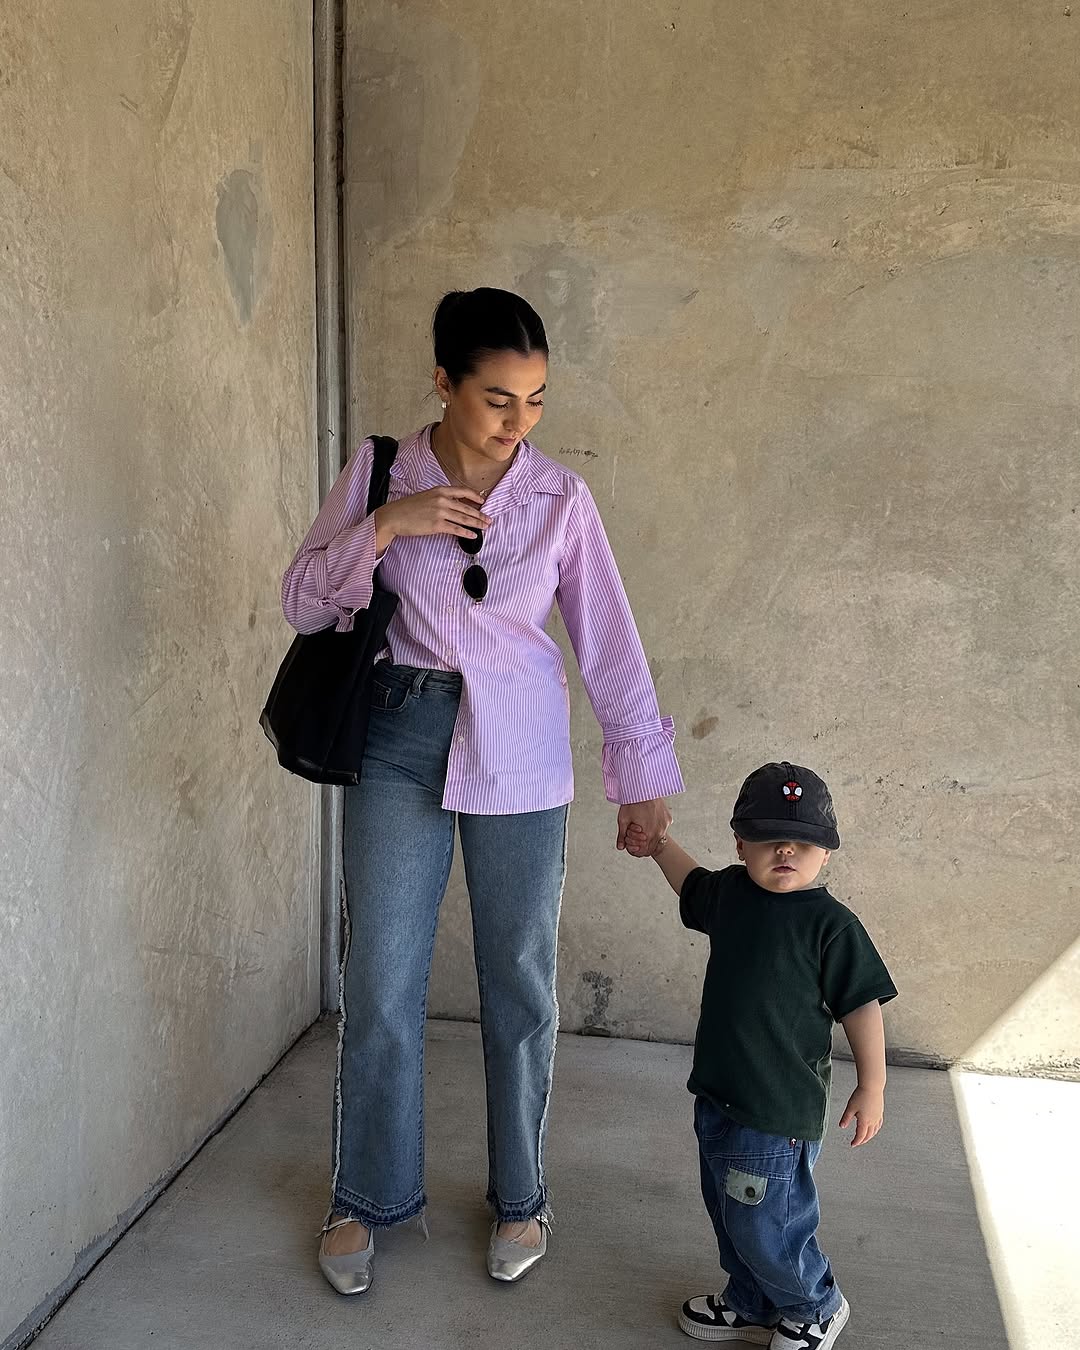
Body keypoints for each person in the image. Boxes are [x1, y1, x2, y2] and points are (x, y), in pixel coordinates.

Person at [280, 287, 684, 1294]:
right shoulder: (382, 471)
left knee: (519, 981)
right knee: (380, 978)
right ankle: (365, 1196)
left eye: (535, 399)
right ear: (444, 383)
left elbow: (608, 643)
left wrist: (639, 776)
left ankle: (521, 1196)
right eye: (498, 397)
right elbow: (302, 599)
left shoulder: (559, 499)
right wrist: (386, 526)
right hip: (399, 735)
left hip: (521, 745)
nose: (518, 421)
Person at [626, 762, 896, 1349]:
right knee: (731, 1216)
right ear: (740, 844)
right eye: (770, 838)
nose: (786, 850)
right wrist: (659, 844)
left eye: (803, 841)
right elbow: (690, 883)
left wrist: (871, 1085)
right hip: (719, 1095)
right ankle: (751, 1302)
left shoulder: (831, 926)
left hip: (777, 1111)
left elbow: (862, 1006)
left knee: (768, 1222)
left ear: (826, 853)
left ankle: (815, 1305)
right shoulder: (730, 894)